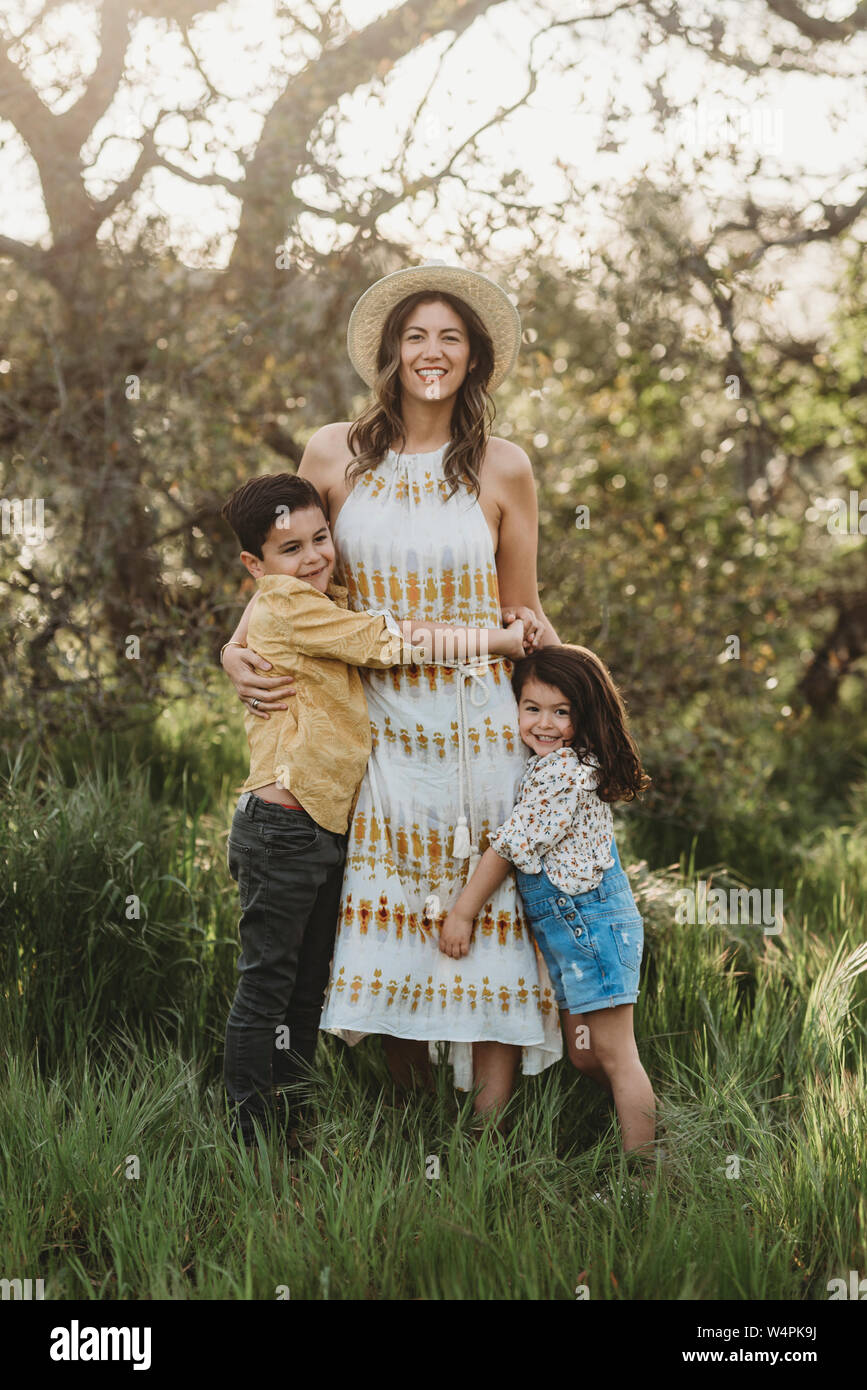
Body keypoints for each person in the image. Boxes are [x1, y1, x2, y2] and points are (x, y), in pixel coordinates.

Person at [221, 260, 577, 1124]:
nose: (432, 351)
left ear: (474, 357)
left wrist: (576, 711)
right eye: (416, 335)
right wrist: (232, 648)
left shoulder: (503, 465)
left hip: (477, 726)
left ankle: (487, 1143)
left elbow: (522, 608)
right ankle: (410, 1117)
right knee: (394, 922)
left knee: (483, 918)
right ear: (389, 351)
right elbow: (286, 582)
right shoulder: (332, 450)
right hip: (369, 729)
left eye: (450, 337)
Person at [219, 469, 528, 1145]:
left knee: (303, 991)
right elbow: (400, 639)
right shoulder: (290, 607)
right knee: (266, 987)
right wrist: (496, 642)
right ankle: (247, 1134)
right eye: (289, 549)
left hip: (320, 827)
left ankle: (291, 1122)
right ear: (255, 565)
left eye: (320, 538)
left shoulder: (321, 600)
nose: (313, 557)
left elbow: (372, 606)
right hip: (282, 824)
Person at [439, 645, 656, 1158]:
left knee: (615, 1054)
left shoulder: (564, 772)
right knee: (585, 1057)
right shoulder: (547, 765)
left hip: (594, 930)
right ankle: (646, 1124)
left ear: (585, 716)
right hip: (574, 938)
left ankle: (650, 1178)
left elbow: (508, 849)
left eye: (562, 712)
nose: (545, 723)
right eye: (532, 708)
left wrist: (462, 912)